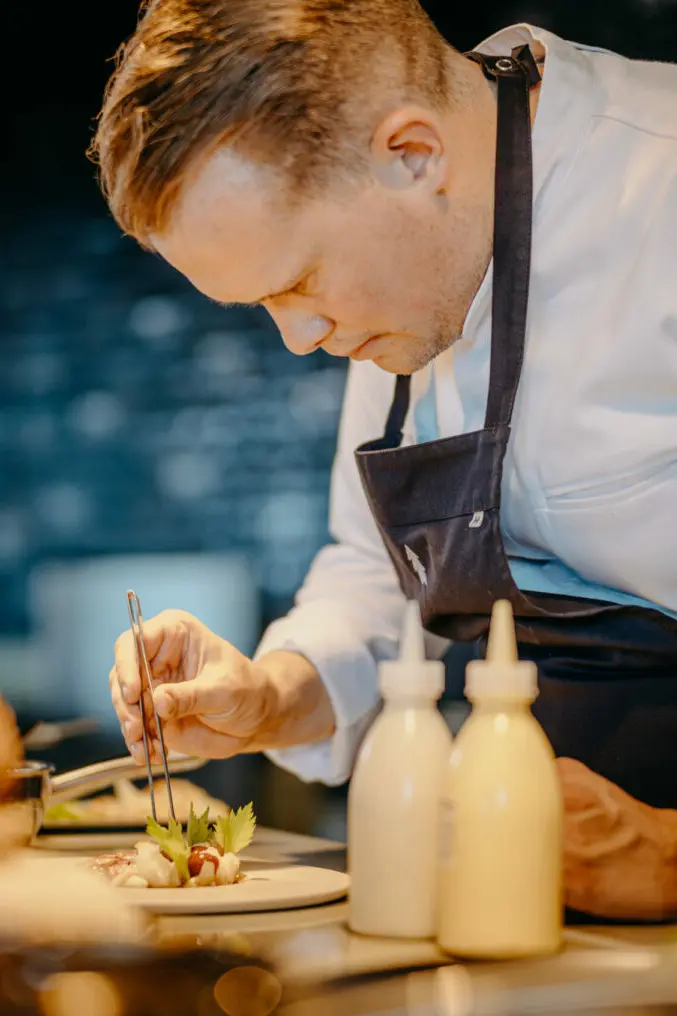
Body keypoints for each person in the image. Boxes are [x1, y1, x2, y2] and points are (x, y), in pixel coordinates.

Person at [93, 1, 677, 919]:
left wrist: (670, 860)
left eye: (298, 281)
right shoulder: (407, 292)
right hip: (534, 895)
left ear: (411, 154)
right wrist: (269, 693)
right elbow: (374, 577)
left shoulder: (659, 185)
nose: (298, 339)